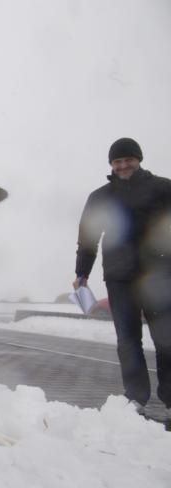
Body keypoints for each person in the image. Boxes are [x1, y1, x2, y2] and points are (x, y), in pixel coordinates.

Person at [74, 137, 171, 428]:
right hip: (119, 278)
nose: (123, 165)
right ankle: (135, 400)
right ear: (111, 165)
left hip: (160, 276)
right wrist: (82, 274)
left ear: (139, 159)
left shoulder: (163, 189)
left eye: (128, 159)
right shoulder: (100, 197)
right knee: (128, 341)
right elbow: (88, 239)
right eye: (117, 161)